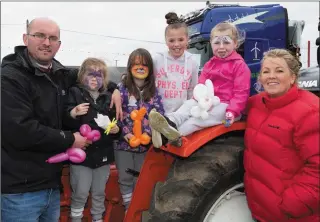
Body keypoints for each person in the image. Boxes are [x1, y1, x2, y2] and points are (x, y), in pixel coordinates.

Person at [1, 17, 122, 222]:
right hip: (21, 190)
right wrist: (70, 139)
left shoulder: (59, 74)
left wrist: (115, 89)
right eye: (39, 35)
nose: (46, 42)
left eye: (52, 38)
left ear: (59, 45)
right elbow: (20, 131)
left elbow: (92, 77)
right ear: (25, 38)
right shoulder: (11, 77)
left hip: (52, 185)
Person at [244, 49, 319, 222]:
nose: (271, 76)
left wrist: (290, 205)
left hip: (291, 215)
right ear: (260, 78)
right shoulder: (256, 104)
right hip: (260, 212)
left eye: (279, 71)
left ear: (292, 77)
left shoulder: (310, 112)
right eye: (266, 71)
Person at [149, 21, 251, 140]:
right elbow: (200, 87)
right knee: (188, 105)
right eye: (217, 42)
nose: (221, 46)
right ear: (211, 44)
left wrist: (232, 111)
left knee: (198, 119)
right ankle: (170, 122)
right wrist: (195, 101)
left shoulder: (240, 66)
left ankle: (175, 136)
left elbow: (241, 94)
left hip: (226, 106)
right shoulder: (209, 64)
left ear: (235, 44)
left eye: (226, 42)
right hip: (207, 101)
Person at [63, 58, 121, 222]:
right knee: (80, 192)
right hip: (82, 156)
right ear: (82, 76)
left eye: (99, 74)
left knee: (99, 192)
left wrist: (116, 130)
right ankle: (76, 218)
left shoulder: (109, 96)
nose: (95, 78)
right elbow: (65, 119)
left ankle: (97, 218)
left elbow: (116, 124)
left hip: (103, 155)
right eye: (91, 74)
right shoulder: (74, 92)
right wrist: (73, 113)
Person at [116, 48, 165, 210]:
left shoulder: (154, 91)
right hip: (124, 145)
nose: (140, 67)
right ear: (130, 66)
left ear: (150, 68)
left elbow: (159, 115)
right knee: (125, 178)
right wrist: (125, 133)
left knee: (141, 178)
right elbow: (115, 115)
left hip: (145, 146)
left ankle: (138, 210)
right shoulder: (121, 89)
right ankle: (128, 208)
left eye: (144, 64)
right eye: (136, 64)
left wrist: (149, 134)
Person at [150, 12, 200, 147]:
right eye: (172, 41)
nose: (176, 44)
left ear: (187, 39)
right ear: (166, 41)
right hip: (159, 114)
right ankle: (165, 132)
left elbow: (192, 91)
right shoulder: (157, 60)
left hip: (179, 116)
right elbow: (144, 81)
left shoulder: (192, 62)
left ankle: (172, 133)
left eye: (181, 40)